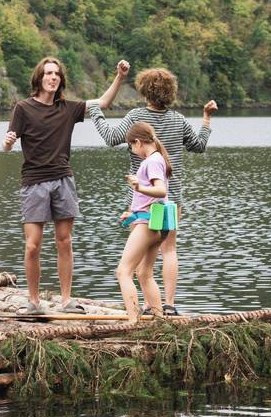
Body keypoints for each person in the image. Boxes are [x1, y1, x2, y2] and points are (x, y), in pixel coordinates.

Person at [89, 62, 216, 315]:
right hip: (172, 198)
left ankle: (146, 307)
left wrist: (96, 112)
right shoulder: (178, 119)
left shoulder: (137, 118)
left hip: (144, 201)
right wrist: (206, 118)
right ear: (170, 92)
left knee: (138, 260)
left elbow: (111, 138)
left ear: (144, 91)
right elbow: (199, 145)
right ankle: (166, 305)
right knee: (169, 249)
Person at [3, 57, 87, 314]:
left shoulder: (68, 109)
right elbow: (7, 146)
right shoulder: (23, 108)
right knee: (33, 244)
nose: (53, 77)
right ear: (39, 78)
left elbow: (103, 103)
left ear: (61, 80)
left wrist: (119, 77)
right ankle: (34, 302)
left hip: (63, 178)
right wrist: (7, 143)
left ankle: (66, 300)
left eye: (57, 74)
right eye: (48, 73)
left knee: (64, 240)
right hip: (34, 181)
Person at [116, 122, 172, 320]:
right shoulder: (157, 159)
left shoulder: (152, 161)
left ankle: (133, 320)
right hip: (152, 222)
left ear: (138, 142)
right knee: (144, 273)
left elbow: (161, 191)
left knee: (123, 272)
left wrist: (138, 187)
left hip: (147, 225)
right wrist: (131, 214)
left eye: (131, 146)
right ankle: (158, 320)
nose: (132, 150)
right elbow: (150, 200)